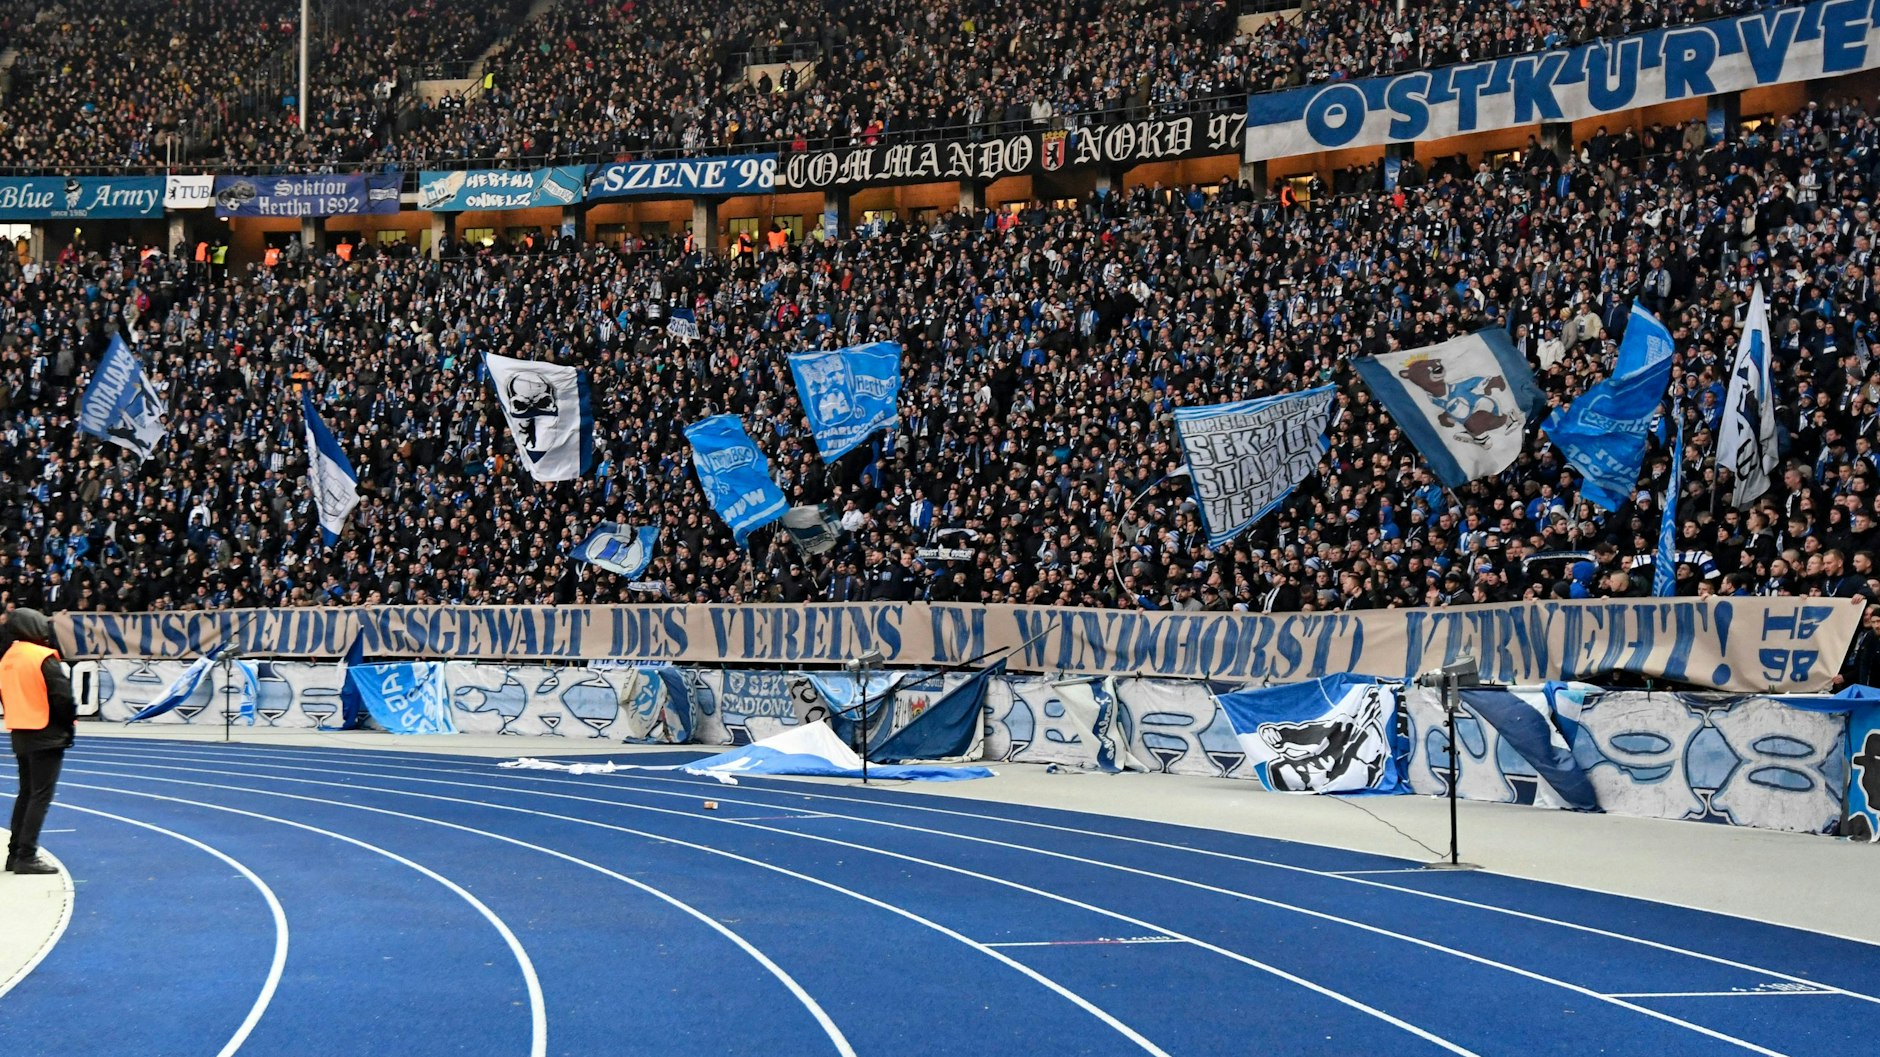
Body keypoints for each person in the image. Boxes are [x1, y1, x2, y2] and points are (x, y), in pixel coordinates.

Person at [2, 608, 75, 875]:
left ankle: (14, 853)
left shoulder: (8, 657)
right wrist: (67, 726)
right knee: (40, 796)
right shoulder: (41, 656)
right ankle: (27, 855)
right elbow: (62, 698)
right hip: (46, 732)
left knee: (26, 793)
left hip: (20, 729)